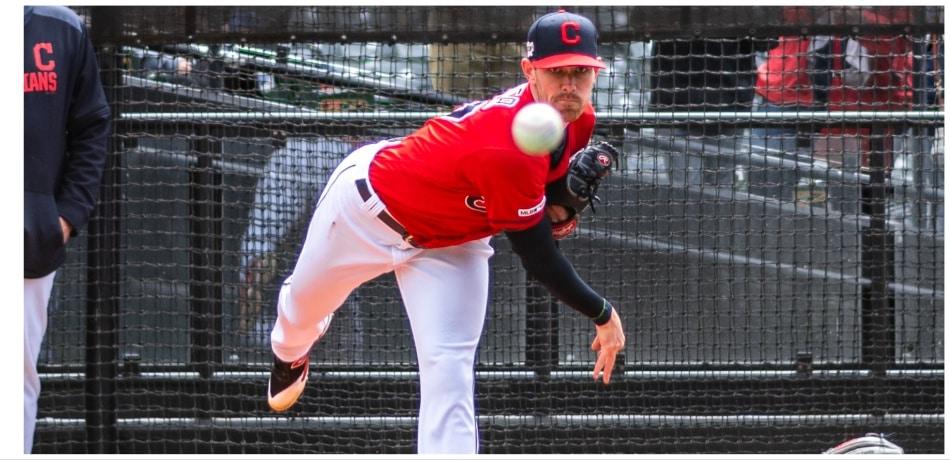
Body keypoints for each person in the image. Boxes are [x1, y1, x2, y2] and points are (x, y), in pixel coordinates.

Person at [265, 9, 626, 454]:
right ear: (530, 71)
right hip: (368, 211)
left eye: (581, 72)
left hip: (453, 241)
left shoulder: (581, 118)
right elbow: (539, 259)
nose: (569, 85)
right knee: (299, 312)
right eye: (556, 72)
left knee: (449, 370)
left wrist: (560, 202)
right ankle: (290, 352)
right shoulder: (505, 147)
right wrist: (602, 313)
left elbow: (546, 205)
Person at [24, 6, 111, 454]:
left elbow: (92, 125)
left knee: (13, 377)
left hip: (26, 238)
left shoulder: (61, 26)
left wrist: (64, 216)